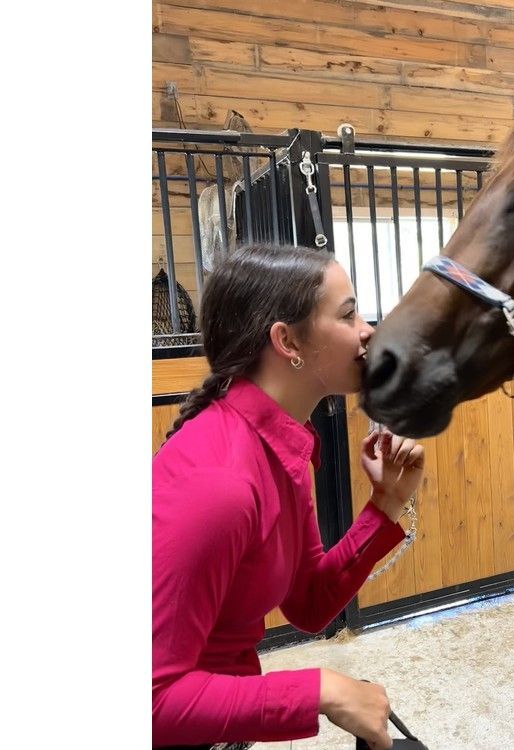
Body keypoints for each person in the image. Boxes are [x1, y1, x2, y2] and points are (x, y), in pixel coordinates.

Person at [153, 244, 424, 750]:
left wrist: (384, 504)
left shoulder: (281, 449)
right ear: (287, 341)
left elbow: (307, 603)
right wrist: (322, 690)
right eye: (348, 314)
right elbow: (151, 701)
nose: (367, 330)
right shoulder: (219, 484)